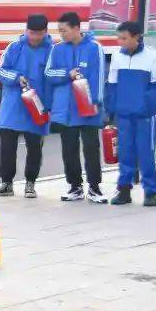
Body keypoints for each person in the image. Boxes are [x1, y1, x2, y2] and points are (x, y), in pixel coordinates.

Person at [45, 12, 107, 203]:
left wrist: (95, 102)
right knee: (69, 149)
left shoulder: (94, 48)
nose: (62, 34)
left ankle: (94, 188)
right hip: (66, 110)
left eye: (64, 30)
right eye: (60, 31)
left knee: (91, 148)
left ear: (76, 28)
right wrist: (67, 73)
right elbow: (48, 73)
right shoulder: (57, 49)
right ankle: (75, 186)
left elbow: (99, 76)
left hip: (88, 108)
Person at [0, 14, 53, 199]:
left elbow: (53, 79)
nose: (35, 37)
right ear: (26, 30)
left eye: (39, 33)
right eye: (32, 33)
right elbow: (0, 70)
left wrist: (49, 106)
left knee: (35, 146)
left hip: (37, 104)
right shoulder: (15, 47)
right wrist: (17, 78)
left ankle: (30, 183)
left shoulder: (52, 50)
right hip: (13, 104)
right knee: (8, 145)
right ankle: (6, 183)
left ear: (46, 32)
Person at [105, 21, 156, 207]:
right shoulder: (117, 56)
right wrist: (111, 110)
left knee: (146, 153)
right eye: (119, 37)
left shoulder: (152, 56)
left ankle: (150, 192)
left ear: (136, 36)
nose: (120, 41)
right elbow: (112, 85)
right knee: (125, 153)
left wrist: (145, 104)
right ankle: (124, 190)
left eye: (124, 38)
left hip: (144, 116)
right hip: (124, 115)